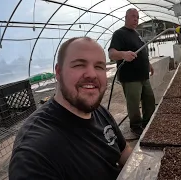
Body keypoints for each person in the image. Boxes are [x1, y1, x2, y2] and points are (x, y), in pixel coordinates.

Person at [9, 37, 132, 180]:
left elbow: (124, 152)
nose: (92, 74)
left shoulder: (98, 111)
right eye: (79, 65)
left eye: (99, 66)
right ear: (58, 72)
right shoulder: (34, 153)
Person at [108, 8, 156, 136]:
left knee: (149, 100)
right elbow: (112, 54)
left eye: (137, 17)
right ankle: (135, 126)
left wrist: (149, 64)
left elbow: (141, 52)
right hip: (130, 77)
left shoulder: (136, 34)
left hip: (143, 74)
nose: (136, 19)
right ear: (126, 17)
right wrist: (123, 54)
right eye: (133, 16)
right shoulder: (119, 34)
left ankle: (148, 122)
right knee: (133, 103)